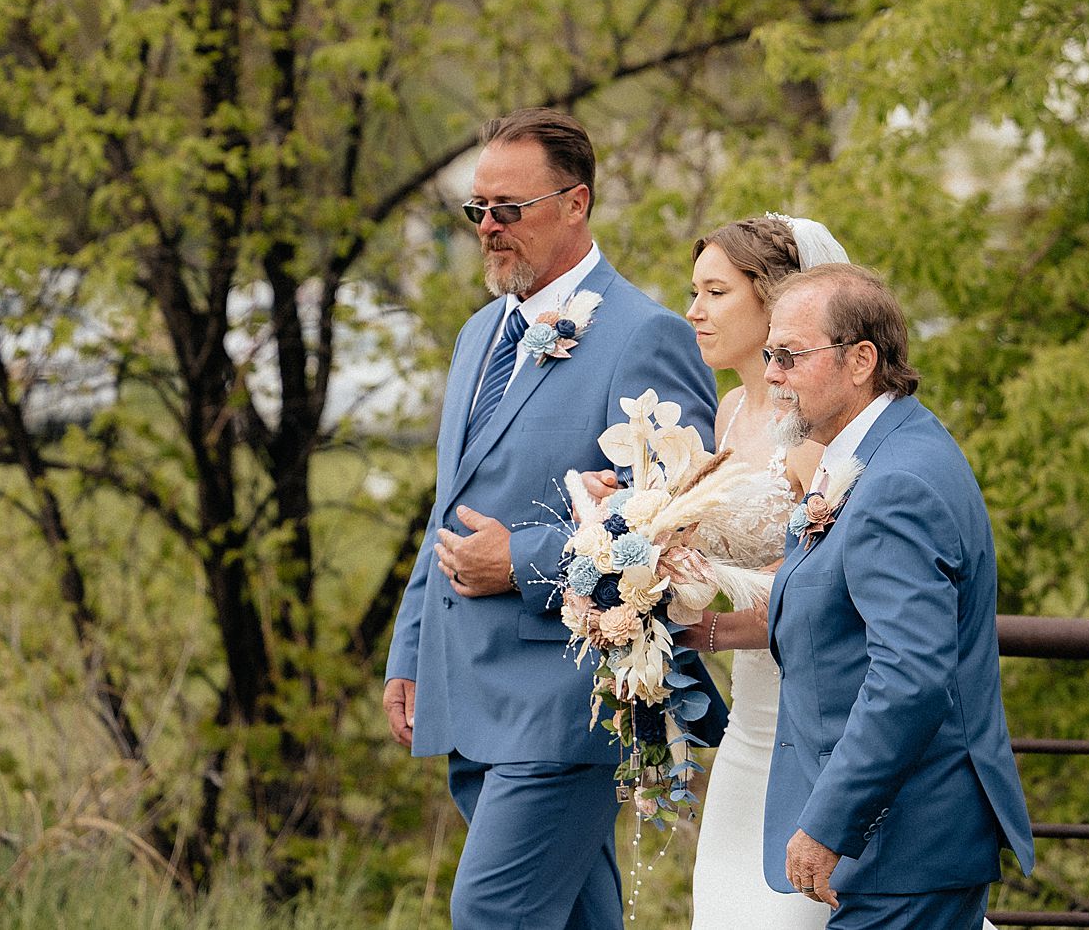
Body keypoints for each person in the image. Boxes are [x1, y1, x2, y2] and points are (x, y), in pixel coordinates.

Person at [381, 108, 720, 930]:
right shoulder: (476, 336)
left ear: (576, 204)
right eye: (478, 211)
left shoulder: (646, 336)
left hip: (571, 698)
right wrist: (411, 646)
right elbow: (449, 505)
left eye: (510, 209)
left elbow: (680, 530)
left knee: (493, 910)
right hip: (470, 686)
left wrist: (523, 559)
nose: (489, 229)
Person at [761, 263, 1034, 929]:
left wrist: (829, 821)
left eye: (790, 355)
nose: (771, 372)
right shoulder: (883, 450)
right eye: (770, 354)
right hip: (902, 846)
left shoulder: (897, 480)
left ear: (861, 360)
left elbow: (910, 676)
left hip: (903, 844)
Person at [676, 215, 839, 930]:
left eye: (715, 291)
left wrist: (705, 629)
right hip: (748, 721)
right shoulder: (730, 409)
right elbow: (722, 555)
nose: (695, 311)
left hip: (809, 717)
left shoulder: (807, 426)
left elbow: (818, 584)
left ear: (771, 300)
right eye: (694, 291)